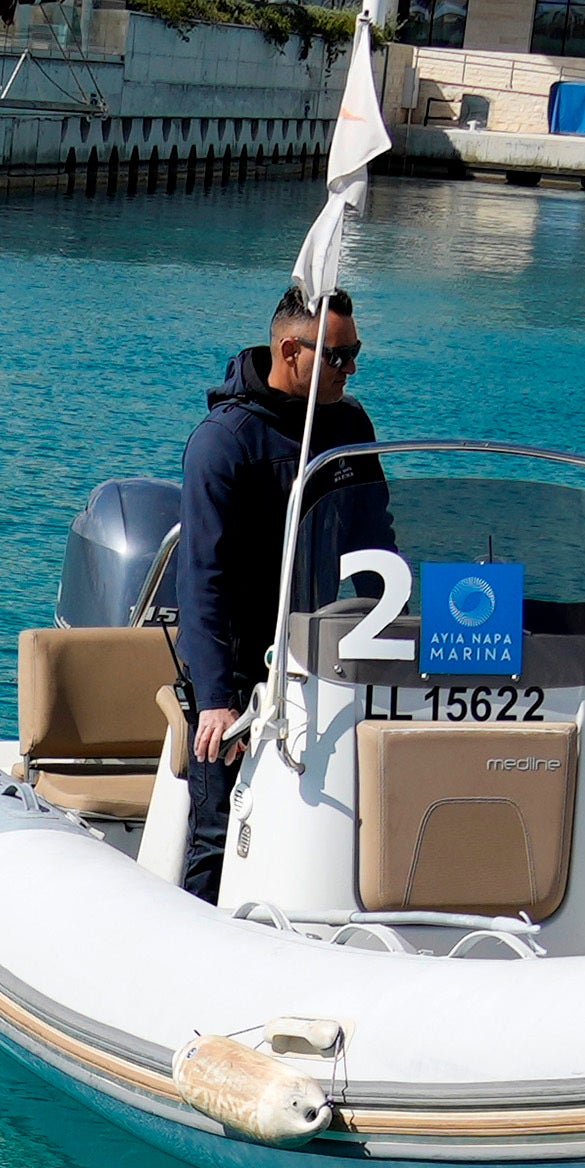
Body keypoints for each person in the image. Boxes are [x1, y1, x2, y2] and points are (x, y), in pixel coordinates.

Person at [166, 287, 398, 903]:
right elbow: (202, 576)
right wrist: (216, 698)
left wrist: (404, 637)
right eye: (338, 357)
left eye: (355, 355)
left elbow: (376, 546)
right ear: (290, 350)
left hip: (320, 660)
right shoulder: (224, 442)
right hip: (240, 674)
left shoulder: (349, 427)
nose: (350, 370)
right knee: (219, 832)